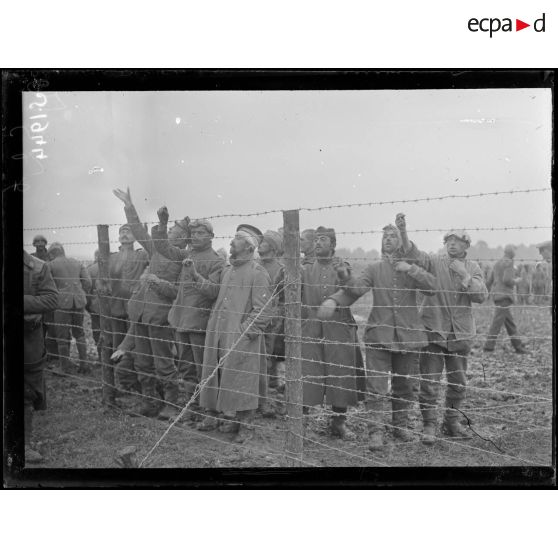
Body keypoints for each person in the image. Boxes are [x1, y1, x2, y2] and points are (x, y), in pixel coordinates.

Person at [319, 215, 436, 449]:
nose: (388, 240)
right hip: (378, 337)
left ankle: (400, 426)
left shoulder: (412, 268)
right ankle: (375, 432)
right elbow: (358, 288)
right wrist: (344, 275)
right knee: (376, 387)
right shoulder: (375, 268)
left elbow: (432, 287)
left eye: (393, 236)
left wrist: (411, 268)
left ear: (401, 240)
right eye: (385, 237)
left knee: (404, 386)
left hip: (409, 338)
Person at [404, 229, 488, 444]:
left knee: (458, 383)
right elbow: (416, 256)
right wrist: (404, 233)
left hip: (460, 335)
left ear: (466, 246)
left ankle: (451, 422)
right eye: (449, 241)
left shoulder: (473, 267)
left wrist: (465, 276)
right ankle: (429, 425)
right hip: (434, 330)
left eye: (457, 241)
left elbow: (481, 296)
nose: (452, 244)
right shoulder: (434, 261)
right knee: (429, 383)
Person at [193, 224, 272, 443]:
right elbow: (215, 293)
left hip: (241, 336)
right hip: (218, 332)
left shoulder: (258, 273)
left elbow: (263, 310)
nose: (231, 242)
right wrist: (195, 277)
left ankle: (246, 424)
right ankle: (221, 417)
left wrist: (244, 333)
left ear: (248, 247)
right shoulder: (228, 270)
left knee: (243, 377)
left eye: (236, 239)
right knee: (216, 373)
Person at [113, 187, 188, 419]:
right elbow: (137, 230)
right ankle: (149, 402)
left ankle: (171, 405)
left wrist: (156, 283)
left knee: (164, 364)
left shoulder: (184, 259)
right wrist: (129, 206)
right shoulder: (156, 248)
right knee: (143, 363)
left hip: (160, 318)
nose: (170, 231)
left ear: (183, 237)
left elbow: (179, 293)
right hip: (142, 316)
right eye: (170, 228)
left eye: (174, 230)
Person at [151, 207, 226, 420]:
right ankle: (191, 409)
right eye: (193, 233)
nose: (195, 236)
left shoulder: (216, 261)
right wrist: (163, 223)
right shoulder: (187, 254)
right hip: (181, 320)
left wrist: (194, 275)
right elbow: (163, 247)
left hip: (199, 323)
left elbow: (213, 291)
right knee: (186, 367)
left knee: (203, 368)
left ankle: (207, 410)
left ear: (211, 236)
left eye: (201, 233)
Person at [298, 226, 366, 441]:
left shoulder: (342, 266)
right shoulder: (305, 269)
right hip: (311, 329)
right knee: (307, 373)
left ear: (333, 244)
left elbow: (355, 291)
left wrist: (343, 278)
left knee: (340, 377)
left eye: (324, 239)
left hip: (339, 329)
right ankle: (301, 423)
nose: (318, 242)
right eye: (316, 239)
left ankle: (339, 423)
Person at [99, 223, 149, 407]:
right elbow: (103, 281)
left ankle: (142, 387)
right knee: (115, 347)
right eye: (122, 232)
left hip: (135, 310)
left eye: (128, 232)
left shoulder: (141, 255)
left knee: (136, 348)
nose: (125, 235)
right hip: (115, 310)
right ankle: (117, 387)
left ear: (135, 236)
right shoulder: (110, 258)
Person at [23, 249, 59, 463]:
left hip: (28, 339)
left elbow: (52, 299)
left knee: (26, 391)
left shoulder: (37, 266)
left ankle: (23, 444)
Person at [46, 242, 92, 374]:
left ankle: (64, 368)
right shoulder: (77, 262)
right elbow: (88, 282)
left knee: (62, 337)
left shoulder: (51, 265)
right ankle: (84, 365)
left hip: (61, 304)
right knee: (80, 334)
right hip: (78, 302)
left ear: (52, 254)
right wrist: (81, 292)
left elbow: (45, 284)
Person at [257, 229, 286, 415]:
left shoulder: (279, 269)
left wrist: (274, 317)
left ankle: (263, 400)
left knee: (265, 360)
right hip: (250, 320)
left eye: (265, 242)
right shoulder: (254, 265)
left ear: (273, 247)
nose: (260, 244)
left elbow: (282, 299)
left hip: (268, 323)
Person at [483, 245, 529, 354]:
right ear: (512, 252)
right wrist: (517, 281)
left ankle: (518, 346)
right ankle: (488, 346)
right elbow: (507, 279)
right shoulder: (509, 262)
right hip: (505, 295)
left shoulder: (497, 263)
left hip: (497, 295)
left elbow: (489, 281)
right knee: (497, 322)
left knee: (510, 323)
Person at [85, 250, 103, 362]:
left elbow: (87, 288)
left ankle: (101, 357)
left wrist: (88, 306)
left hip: (95, 306)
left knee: (97, 331)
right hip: (113, 307)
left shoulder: (90, 269)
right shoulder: (113, 267)